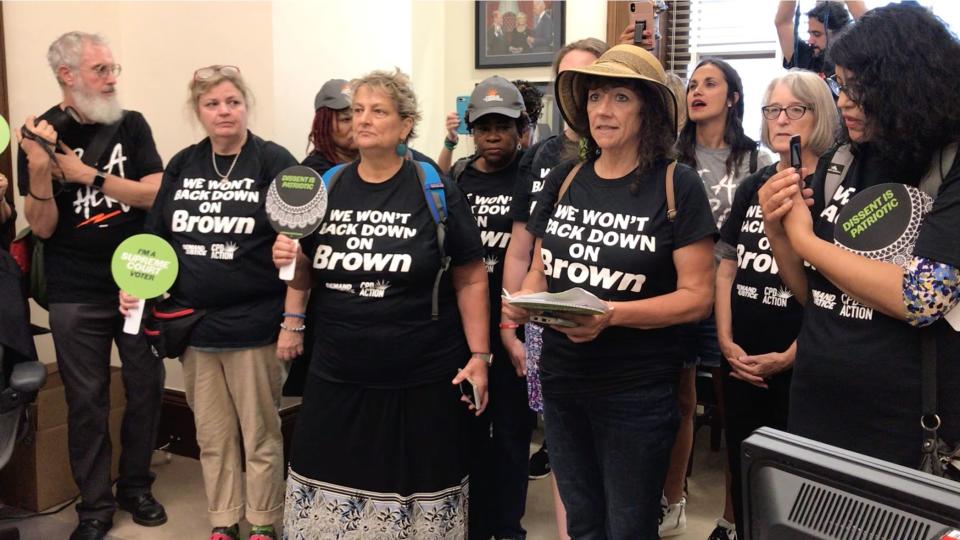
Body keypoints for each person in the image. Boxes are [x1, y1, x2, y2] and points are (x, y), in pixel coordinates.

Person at [503, 44, 716, 539]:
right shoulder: (564, 178)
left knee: (628, 527)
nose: (602, 110)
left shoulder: (676, 184)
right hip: (562, 380)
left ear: (648, 110)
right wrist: (530, 305)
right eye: (596, 96)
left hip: (636, 389)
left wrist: (611, 314)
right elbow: (540, 270)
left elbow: (697, 296)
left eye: (620, 97)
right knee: (583, 523)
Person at [274, 69, 489, 538]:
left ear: (406, 123)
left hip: (420, 371)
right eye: (356, 111)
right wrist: (290, 301)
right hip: (338, 370)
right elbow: (303, 266)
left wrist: (479, 356)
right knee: (331, 478)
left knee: (415, 485)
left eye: (378, 111)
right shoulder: (326, 185)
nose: (363, 120)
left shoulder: (434, 187)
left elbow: (470, 275)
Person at [759, 3, 960, 473]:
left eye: (857, 88)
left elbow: (923, 296)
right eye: (839, 85)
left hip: (906, 421)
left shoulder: (948, 165)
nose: (843, 100)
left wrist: (807, 242)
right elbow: (814, 294)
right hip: (817, 403)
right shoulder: (842, 160)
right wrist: (778, 229)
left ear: (907, 83)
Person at [124, 65, 295, 540]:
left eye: (233, 102)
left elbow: (300, 233)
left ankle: (263, 522)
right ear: (198, 111)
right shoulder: (183, 163)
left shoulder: (272, 160)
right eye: (213, 104)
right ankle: (223, 520)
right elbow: (155, 236)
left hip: (255, 324)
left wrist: (290, 251)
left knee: (260, 435)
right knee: (213, 437)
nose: (224, 112)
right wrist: (134, 283)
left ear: (246, 106)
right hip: (194, 326)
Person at [15, 31, 166, 540]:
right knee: (87, 399)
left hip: (137, 277)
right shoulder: (38, 135)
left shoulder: (133, 124)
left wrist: (86, 175)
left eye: (112, 68)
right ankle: (95, 506)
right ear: (67, 75)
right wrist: (40, 172)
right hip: (74, 288)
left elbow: (154, 197)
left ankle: (137, 487)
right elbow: (41, 228)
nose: (112, 78)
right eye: (101, 70)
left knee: (145, 387)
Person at [717, 69, 839, 536]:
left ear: (821, 115)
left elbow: (833, 291)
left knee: (798, 485)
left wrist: (792, 355)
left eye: (796, 109)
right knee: (743, 463)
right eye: (773, 110)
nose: (782, 120)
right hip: (741, 354)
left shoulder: (833, 184)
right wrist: (725, 339)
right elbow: (726, 264)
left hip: (801, 360)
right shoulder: (757, 183)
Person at [501, 36, 608, 540]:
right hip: (548, 321)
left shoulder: (640, 156)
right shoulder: (541, 156)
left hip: (620, 329)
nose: (582, 96)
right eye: (570, 83)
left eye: (592, 82)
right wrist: (510, 321)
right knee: (566, 452)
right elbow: (521, 247)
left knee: (616, 459)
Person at [662, 57, 773, 540]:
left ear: (732, 97)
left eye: (711, 83)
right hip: (677, 292)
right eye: (692, 84)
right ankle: (673, 501)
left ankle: (732, 517)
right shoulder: (669, 157)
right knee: (679, 403)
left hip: (732, 298)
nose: (697, 91)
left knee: (736, 411)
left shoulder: (757, 161)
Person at [453, 75, 533, 540]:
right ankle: (472, 523)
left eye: (504, 125)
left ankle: (508, 527)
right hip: (466, 332)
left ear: (521, 127)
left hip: (515, 331)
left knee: (510, 436)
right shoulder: (457, 178)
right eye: (484, 126)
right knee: (468, 432)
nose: (494, 135)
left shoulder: (531, 176)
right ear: (471, 129)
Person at [774, 1, 865, 78]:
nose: (810, 40)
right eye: (810, 34)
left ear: (839, 34)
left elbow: (867, 23)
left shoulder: (855, 59)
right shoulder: (804, 58)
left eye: (817, 34)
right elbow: (782, 23)